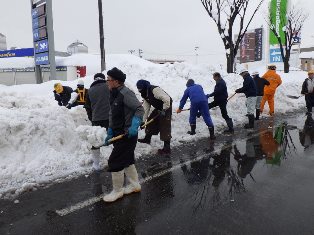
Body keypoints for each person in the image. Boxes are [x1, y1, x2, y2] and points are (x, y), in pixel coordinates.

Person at [103, 67, 144, 203]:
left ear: (116, 81)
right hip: (117, 133)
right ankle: (134, 185)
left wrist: (134, 125)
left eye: (108, 80)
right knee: (127, 159)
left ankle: (118, 191)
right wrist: (110, 129)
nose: (107, 82)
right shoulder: (113, 93)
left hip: (127, 134)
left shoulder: (126, 93)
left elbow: (139, 108)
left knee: (115, 161)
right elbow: (112, 113)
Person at [136, 79, 173, 154]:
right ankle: (147, 139)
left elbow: (167, 99)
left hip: (167, 106)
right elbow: (146, 109)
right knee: (151, 121)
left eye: (140, 89)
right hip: (158, 108)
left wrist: (164, 109)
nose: (139, 91)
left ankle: (167, 148)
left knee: (164, 125)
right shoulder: (145, 94)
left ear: (144, 87)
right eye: (138, 89)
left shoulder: (154, 90)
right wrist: (143, 121)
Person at [84, 73, 110, 170]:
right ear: (103, 79)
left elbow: (87, 107)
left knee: (95, 141)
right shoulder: (109, 87)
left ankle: (96, 164)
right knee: (115, 139)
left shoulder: (90, 90)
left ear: (94, 80)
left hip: (96, 119)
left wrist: (92, 118)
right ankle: (117, 160)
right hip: (110, 118)